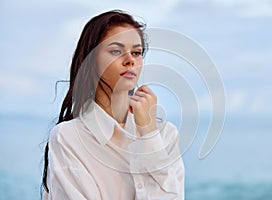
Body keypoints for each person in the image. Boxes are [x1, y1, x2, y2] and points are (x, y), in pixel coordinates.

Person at [42, 10, 185, 200]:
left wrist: (149, 134)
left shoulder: (165, 134)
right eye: (116, 51)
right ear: (90, 61)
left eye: (136, 52)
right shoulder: (68, 137)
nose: (130, 60)